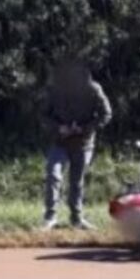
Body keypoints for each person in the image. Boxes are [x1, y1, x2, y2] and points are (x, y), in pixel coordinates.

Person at [41, 59, 112, 230]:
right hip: (60, 142)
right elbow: (43, 115)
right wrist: (59, 128)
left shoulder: (94, 90)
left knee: (77, 181)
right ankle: (50, 217)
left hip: (83, 143)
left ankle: (77, 219)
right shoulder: (55, 90)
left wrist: (84, 128)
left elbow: (106, 114)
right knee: (53, 175)